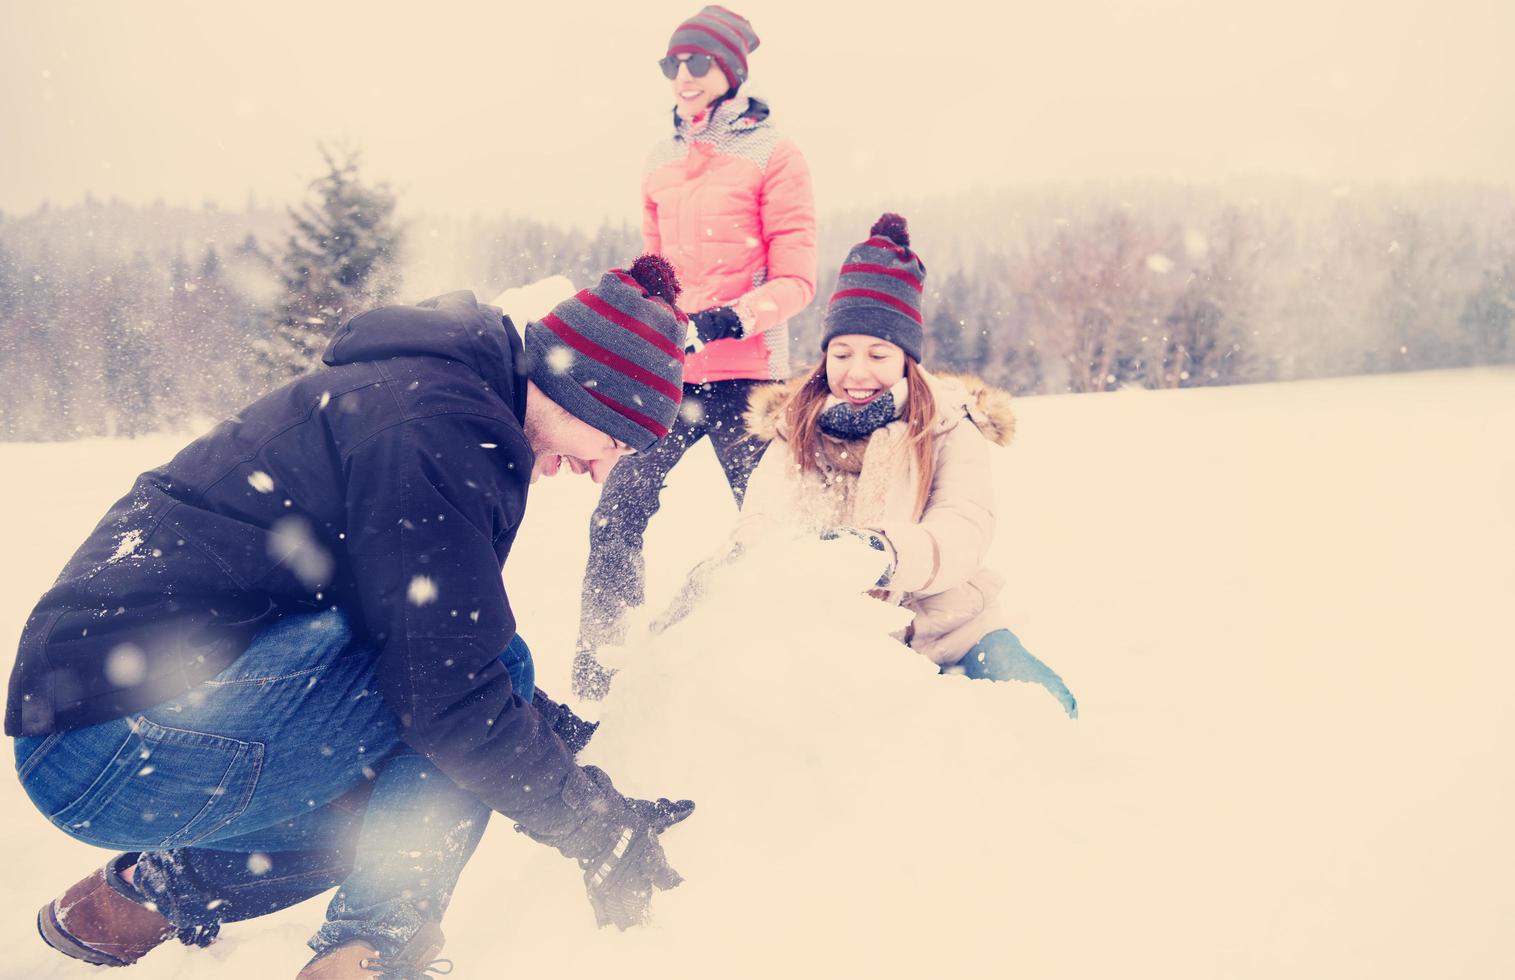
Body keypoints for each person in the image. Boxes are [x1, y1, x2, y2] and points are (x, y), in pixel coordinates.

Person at [8, 256, 696, 978]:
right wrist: (594, 827)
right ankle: (372, 952)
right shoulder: (444, 430)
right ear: (581, 395)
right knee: (457, 721)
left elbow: (420, 638)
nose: (600, 469)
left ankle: (132, 902)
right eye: (616, 443)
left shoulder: (427, 398)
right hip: (121, 741)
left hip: (88, 736)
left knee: (391, 811)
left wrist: (556, 743)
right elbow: (450, 691)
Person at [671, 215, 1078, 716]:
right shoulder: (795, 428)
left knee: (1048, 706)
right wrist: (735, 564)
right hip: (836, 635)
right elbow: (763, 514)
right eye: (841, 354)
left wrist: (881, 552)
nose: (856, 373)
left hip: (947, 628)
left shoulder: (951, 425)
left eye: (878, 355)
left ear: (908, 361)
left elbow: (963, 531)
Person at [573, 4, 818, 699]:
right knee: (616, 517)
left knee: (775, 527)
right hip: (671, 376)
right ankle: (599, 681)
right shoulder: (659, 159)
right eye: (671, 64)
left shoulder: (776, 153)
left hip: (748, 379)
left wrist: (726, 320)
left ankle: (795, 669)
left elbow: (797, 279)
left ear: (730, 70)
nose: (682, 76)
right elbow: (655, 270)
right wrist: (635, 323)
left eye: (697, 62)